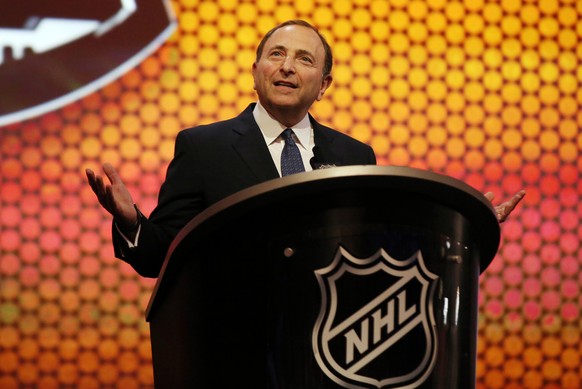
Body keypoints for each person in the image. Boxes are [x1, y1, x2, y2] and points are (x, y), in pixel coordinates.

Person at [86, 19, 524, 278]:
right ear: (256, 71)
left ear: (324, 87)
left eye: (304, 60)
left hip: (331, 346)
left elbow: (376, 255)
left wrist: (463, 226)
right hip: (236, 347)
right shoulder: (204, 146)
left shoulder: (357, 156)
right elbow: (161, 256)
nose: (287, 67)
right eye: (276, 55)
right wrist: (131, 222)